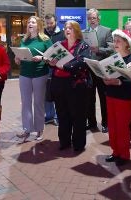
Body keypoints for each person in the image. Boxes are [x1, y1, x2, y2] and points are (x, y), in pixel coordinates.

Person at [48, 20, 91, 152]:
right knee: (62, 114)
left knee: (77, 115)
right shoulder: (60, 45)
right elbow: (51, 62)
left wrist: (63, 66)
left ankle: (78, 144)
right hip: (59, 84)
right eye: (66, 28)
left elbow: (81, 63)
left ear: (76, 31)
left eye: (70, 28)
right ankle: (64, 141)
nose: (67, 30)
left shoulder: (83, 46)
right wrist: (50, 62)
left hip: (75, 85)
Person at [103, 29, 131, 166]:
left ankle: (124, 154)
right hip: (111, 95)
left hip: (124, 97)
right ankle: (115, 151)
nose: (115, 43)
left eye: (119, 41)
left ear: (126, 43)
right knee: (112, 125)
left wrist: (118, 82)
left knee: (122, 126)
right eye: (114, 40)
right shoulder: (113, 58)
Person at [15, 16, 53, 141]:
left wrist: (41, 58)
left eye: (33, 22)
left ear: (38, 25)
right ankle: (27, 129)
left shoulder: (45, 40)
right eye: (29, 22)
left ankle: (39, 129)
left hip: (40, 74)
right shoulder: (24, 39)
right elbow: (19, 57)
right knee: (25, 103)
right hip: (24, 73)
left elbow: (52, 57)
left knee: (38, 102)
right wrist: (17, 59)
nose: (30, 24)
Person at [85, 8, 113, 133]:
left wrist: (99, 50)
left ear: (98, 18)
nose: (92, 20)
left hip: (101, 69)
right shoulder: (83, 32)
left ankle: (106, 123)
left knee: (103, 97)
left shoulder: (106, 31)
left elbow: (111, 49)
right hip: (88, 69)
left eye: (94, 18)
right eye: (89, 18)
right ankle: (91, 122)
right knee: (89, 98)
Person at [43, 13, 65, 126]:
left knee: (57, 92)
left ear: (55, 22)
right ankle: (49, 115)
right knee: (46, 93)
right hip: (45, 67)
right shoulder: (42, 34)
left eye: (51, 23)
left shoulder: (62, 34)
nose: (49, 25)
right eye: (47, 23)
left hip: (58, 67)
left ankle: (57, 116)